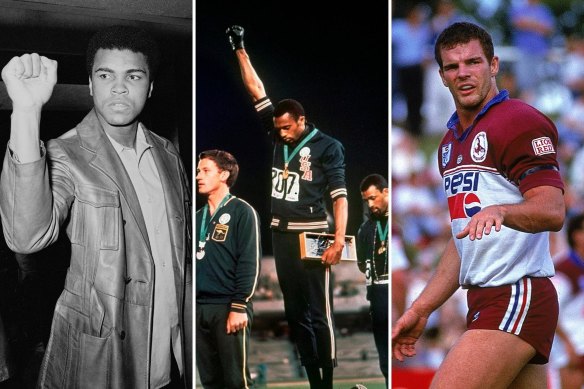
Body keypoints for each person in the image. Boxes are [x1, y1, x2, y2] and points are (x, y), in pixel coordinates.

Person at [0, 25, 192, 388]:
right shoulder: (65, 153)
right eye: (106, 75)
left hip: (172, 359)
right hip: (103, 360)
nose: (119, 87)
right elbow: (26, 237)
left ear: (150, 87)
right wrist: (26, 111)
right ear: (91, 84)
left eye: (133, 75)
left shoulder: (169, 154)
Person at [392, 22, 565, 389]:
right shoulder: (448, 143)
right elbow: (464, 242)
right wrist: (421, 308)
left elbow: (552, 210)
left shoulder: (519, 120)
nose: (463, 73)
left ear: (494, 64)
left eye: (473, 62)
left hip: (517, 292)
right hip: (485, 299)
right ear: (441, 76)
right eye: (452, 67)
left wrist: (502, 211)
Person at [226, 25, 348, 389]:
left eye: (285, 128)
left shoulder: (328, 147)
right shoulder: (278, 133)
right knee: (295, 314)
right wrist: (240, 49)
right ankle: (312, 380)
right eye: (276, 128)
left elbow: (340, 197)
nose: (279, 134)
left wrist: (339, 239)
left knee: (318, 313)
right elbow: (256, 91)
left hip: (312, 235)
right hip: (280, 234)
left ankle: (327, 381)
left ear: (301, 120)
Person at [195, 149, 261, 389]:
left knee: (236, 381)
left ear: (223, 175)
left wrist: (239, 305)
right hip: (199, 308)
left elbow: (249, 263)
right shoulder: (197, 217)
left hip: (228, 307)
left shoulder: (243, 212)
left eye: (205, 171)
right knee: (210, 381)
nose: (198, 176)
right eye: (198, 171)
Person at [356, 173, 389, 387]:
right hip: (375, 296)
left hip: (390, 290)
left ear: (386, 192)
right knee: (384, 357)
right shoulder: (365, 229)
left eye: (373, 197)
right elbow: (361, 263)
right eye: (366, 200)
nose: (370, 204)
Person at [549, 214, 584, 389]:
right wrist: (567, 344)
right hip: (572, 350)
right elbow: (550, 310)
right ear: (576, 235)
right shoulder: (564, 269)